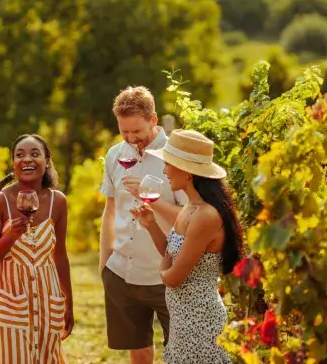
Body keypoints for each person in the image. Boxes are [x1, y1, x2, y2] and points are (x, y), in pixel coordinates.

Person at [132, 129, 244, 364]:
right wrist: (151, 225)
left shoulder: (205, 215)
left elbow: (173, 276)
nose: (164, 171)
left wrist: (162, 270)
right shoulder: (191, 206)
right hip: (184, 320)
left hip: (200, 323)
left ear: (187, 171)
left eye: (168, 165)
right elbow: (172, 253)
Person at [99, 86, 187, 364]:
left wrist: (152, 198)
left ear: (153, 119)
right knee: (138, 350)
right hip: (121, 273)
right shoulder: (115, 154)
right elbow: (110, 209)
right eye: (123, 131)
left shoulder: (176, 156)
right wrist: (104, 264)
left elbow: (191, 218)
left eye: (136, 131)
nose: (130, 139)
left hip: (168, 275)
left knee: (180, 352)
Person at [0, 134, 74, 363]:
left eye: (34, 153)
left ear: (47, 160)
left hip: (47, 298)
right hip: (10, 300)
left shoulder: (58, 201)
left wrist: (68, 302)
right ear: (13, 163)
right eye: (19, 155)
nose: (26, 159)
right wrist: (11, 235)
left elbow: (59, 254)